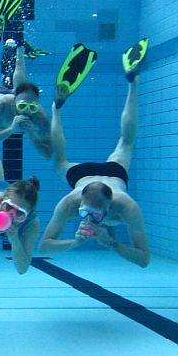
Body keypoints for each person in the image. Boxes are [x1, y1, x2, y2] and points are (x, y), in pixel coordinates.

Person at [39, 39, 150, 268]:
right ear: (79, 204)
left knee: (61, 161)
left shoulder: (127, 208)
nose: (90, 218)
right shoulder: (69, 203)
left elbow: (144, 259)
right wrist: (74, 242)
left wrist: (110, 242)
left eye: (96, 215)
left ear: (109, 208)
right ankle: (132, 83)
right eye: (85, 212)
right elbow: (44, 246)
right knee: (125, 143)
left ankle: (57, 109)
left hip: (103, 176)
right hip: (96, 175)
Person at [0, 130, 41, 274]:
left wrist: (15, 240)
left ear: (28, 214)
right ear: (3, 200)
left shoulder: (32, 223)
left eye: (19, 214)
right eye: (8, 207)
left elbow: (22, 269)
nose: (10, 215)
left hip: (4, 189)